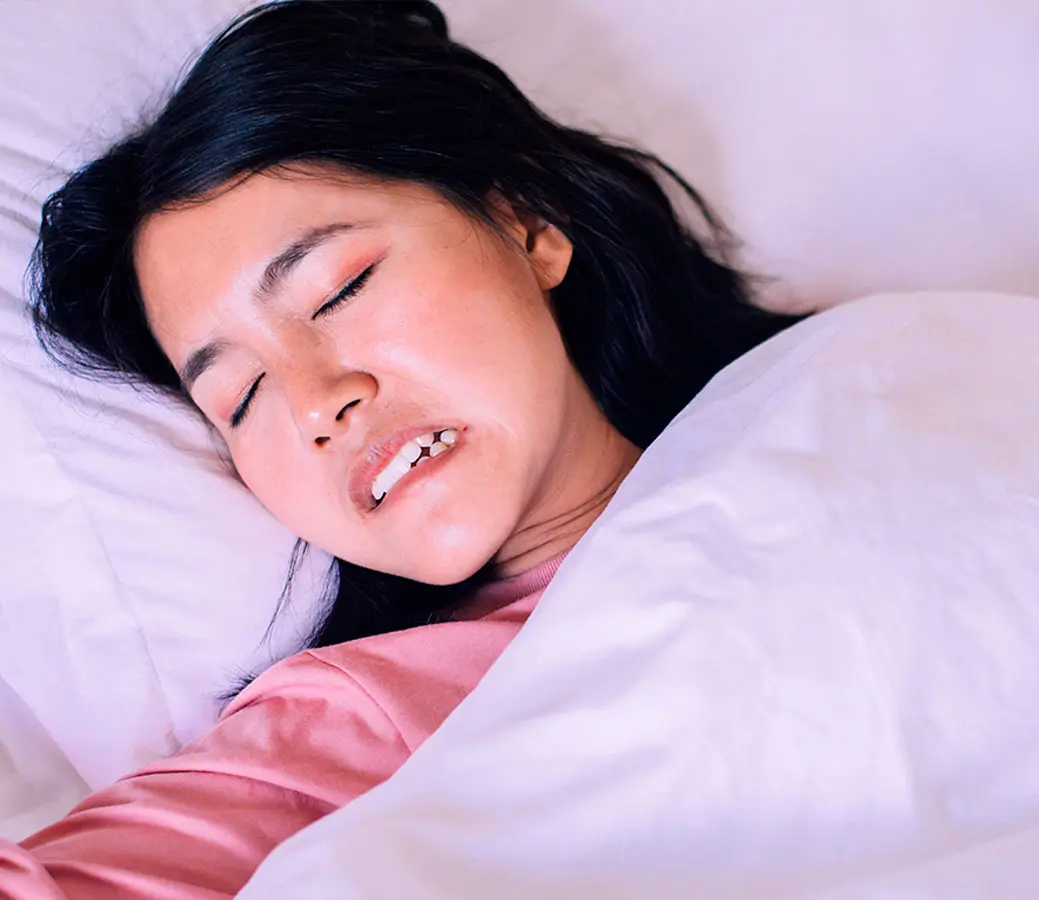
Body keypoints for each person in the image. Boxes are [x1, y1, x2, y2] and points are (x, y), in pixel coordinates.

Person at [0, 1, 800, 896]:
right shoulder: (353, 722)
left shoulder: (861, 386)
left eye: (339, 289)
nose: (315, 404)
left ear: (527, 221)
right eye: (242, 397)